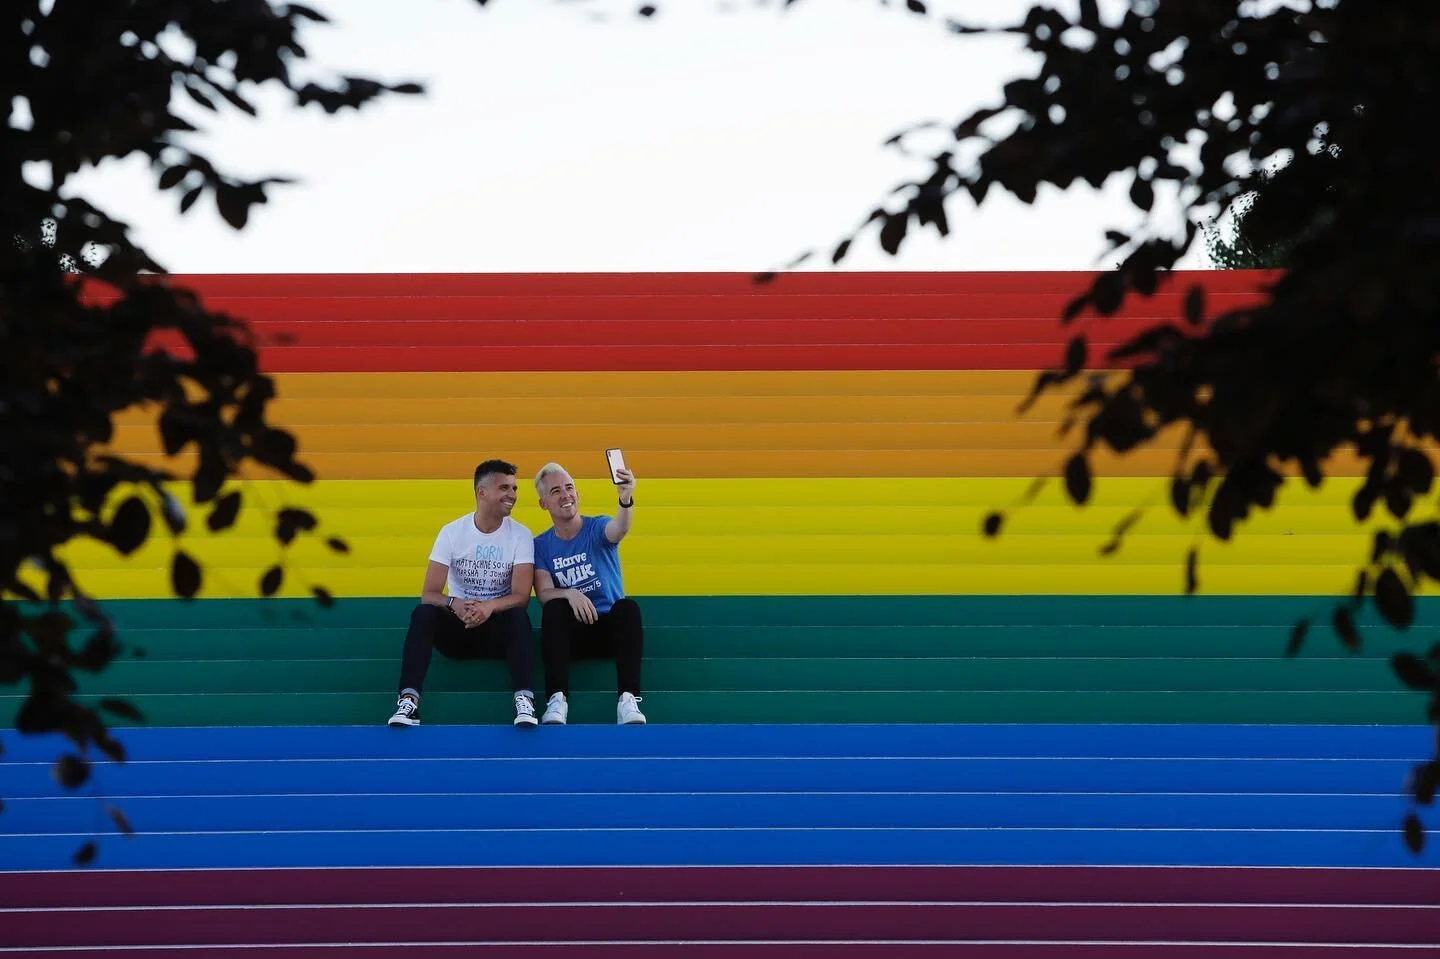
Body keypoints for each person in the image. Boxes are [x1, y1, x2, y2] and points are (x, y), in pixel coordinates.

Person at [388, 459, 539, 728]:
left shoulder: (521, 535)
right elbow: (429, 594)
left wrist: (488, 607)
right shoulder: (452, 532)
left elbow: (521, 597)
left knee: (518, 617)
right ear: (482, 492)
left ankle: (525, 701)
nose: (512, 495)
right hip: (459, 629)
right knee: (423, 614)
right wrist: (454, 603)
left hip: (497, 632)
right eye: (504, 488)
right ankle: (408, 702)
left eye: (514, 488)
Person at [530, 460, 646, 725]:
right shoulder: (541, 545)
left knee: (628, 608)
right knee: (554, 608)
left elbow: (620, 528)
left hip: (609, 632)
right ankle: (557, 700)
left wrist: (625, 498)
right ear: (543, 503)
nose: (565, 495)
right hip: (572, 637)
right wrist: (569, 593)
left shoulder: (596, 528)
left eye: (569, 487)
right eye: (556, 491)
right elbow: (544, 592)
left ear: (578, 494)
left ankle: (628, 700)